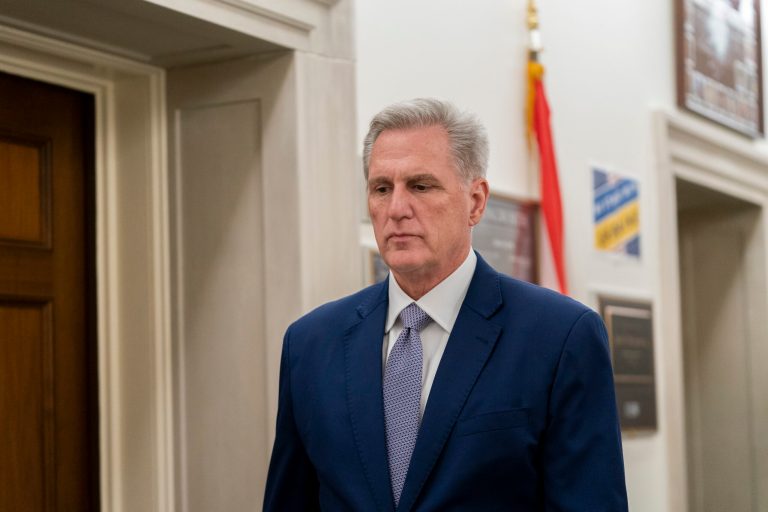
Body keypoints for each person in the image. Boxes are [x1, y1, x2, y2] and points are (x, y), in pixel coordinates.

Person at [263, 98, 628, 511]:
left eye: (420, 186)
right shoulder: (310, 344)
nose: (397, 209)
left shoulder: (561, 337)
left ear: (475, 202)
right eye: (382, 188)